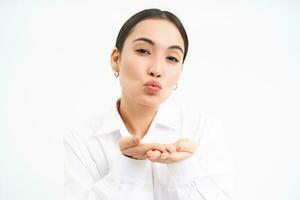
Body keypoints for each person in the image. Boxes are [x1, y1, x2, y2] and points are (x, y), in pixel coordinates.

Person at [64, 8, 233, 200]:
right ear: (116, 59)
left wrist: (184, 166)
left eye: (172, 58)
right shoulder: (81, 142)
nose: (156, 70)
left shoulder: (203, 130)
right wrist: (128, 166)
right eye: (143, 51)